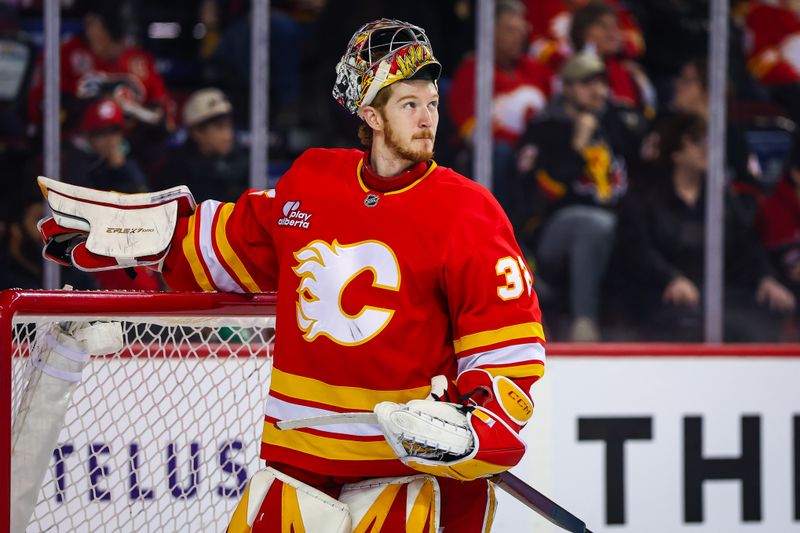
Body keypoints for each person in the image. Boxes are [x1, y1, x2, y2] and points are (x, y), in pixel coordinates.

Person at [37, 19, 546, 532]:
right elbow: (236, 243)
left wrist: (475, 423)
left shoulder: (468, 211)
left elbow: (507, 347)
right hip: (300, 463)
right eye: (409, 104)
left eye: (432, 103)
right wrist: (151, 240)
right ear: (371, 115)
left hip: (407, 471)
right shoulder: (312, 180)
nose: (427, 118)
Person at [616, 112, 795, 342]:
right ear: (676, 152)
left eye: (709, 141)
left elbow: (746, 244)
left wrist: (765, 278)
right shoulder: (644, 198)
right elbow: (638, 250)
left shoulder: (721, 199)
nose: (707, 148)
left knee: (761, 319)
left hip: (719, 296)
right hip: (660, 296)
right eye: (698, 142)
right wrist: (671, 278)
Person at [514, 52, 645, 341]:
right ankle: (583, 323)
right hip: (553, 229)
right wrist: (578, 144)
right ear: (568, 88)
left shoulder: (614, 124)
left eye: (601, 83)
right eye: (588, 83)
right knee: (595, 223)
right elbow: (544, 193)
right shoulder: (545, 128)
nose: (598, 91)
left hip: (614, 220)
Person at [448, 0, 553, 212]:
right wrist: (520, 146)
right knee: (502, 153)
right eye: (509, 30)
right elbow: (472, 131)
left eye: (521, 30)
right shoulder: (472, 72)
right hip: (492, 158)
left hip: (534, 153)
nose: (518, 36)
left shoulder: (537, 70)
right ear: (489, 32)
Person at [27, 1, 175, 139]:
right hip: (78, 145)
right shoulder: (63, 55)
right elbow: (39, 111)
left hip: (130, 147)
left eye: (124, 39)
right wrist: (95, 105)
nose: (123, 46)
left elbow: (163, 115)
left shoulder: (139, 60)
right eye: (116, 39)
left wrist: (136, 111)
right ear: (93, 27)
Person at [154, 88, 248, 203]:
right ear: (197, 132)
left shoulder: (241, 161)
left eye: (229, 126)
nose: (228, 135)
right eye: (219, 127)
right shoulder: (176, 171)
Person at [569, 1, 655, 116]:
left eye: (615, 26)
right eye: (603, 27)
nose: (613, 33)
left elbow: (648, 109)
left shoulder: (631, 71)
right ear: (583, 33)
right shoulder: (572, 71)